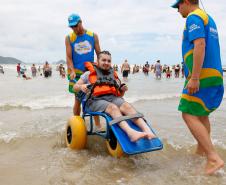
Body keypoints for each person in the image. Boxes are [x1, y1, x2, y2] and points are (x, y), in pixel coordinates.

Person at [172, 0, 224, 174]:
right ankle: (202, 152)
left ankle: (213, 157)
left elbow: (199, 44)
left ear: (186, 2)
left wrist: (194, 78)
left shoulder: (194, 17)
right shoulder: (208, 18)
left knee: (187, 114)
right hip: (214, 75)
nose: (178, 10)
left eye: (178, 6)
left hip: (202, 76)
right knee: (201, 115)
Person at [74, 51, 156, 142]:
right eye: (103, 60)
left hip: (111, 98)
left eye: (109, 61)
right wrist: (81, 86)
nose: (106, 63)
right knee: (113, 108)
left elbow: (119, 95)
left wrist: (122, 90)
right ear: (98, 61)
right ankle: (131, 133)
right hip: (94, 100)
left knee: (127, 106)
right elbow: (75, 87)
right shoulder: (88, 74)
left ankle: (147, 130)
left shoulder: (113, 75)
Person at [65, 13, 101, 127]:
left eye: (75, 25)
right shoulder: (69, 38)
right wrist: (72, 70)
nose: (74, 28)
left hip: (89, 72)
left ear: (81, 22)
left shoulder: (92, 35)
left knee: (94, 98)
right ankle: (77, 124)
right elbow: (69, 57)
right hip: (76, 73)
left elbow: (99, 54)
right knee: (78, 100)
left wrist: (99, 67)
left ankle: (98, 126)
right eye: (72, 27)